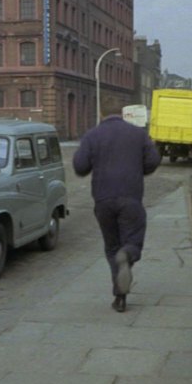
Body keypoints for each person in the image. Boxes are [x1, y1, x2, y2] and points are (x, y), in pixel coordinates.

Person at [73, 96, 161, 312]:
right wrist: (138, 168)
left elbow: (80, 166)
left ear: (100, 114)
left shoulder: (92, 136)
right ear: (123, 113)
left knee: (112, 247)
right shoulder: (138, 134)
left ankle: (120, 297)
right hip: (130, 197)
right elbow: (153, 161)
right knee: (132, 240)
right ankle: (128, 255)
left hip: (103, 199)